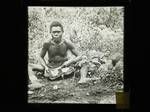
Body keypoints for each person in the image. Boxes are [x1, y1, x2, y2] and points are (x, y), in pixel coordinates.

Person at [28, 21, 89, 89]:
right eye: (54, 32)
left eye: (58, 32)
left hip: (65, 67)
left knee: (84, 60)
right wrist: (45, 67)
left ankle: (83, 79)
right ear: (50, 33)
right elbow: (40, 57)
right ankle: (35, 82)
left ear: (62, 32)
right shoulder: (47, 43)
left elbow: (79, 55)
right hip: (51, 67)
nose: (56, 34)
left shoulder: (67, 42)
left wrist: (70, 62)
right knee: (29, 65)